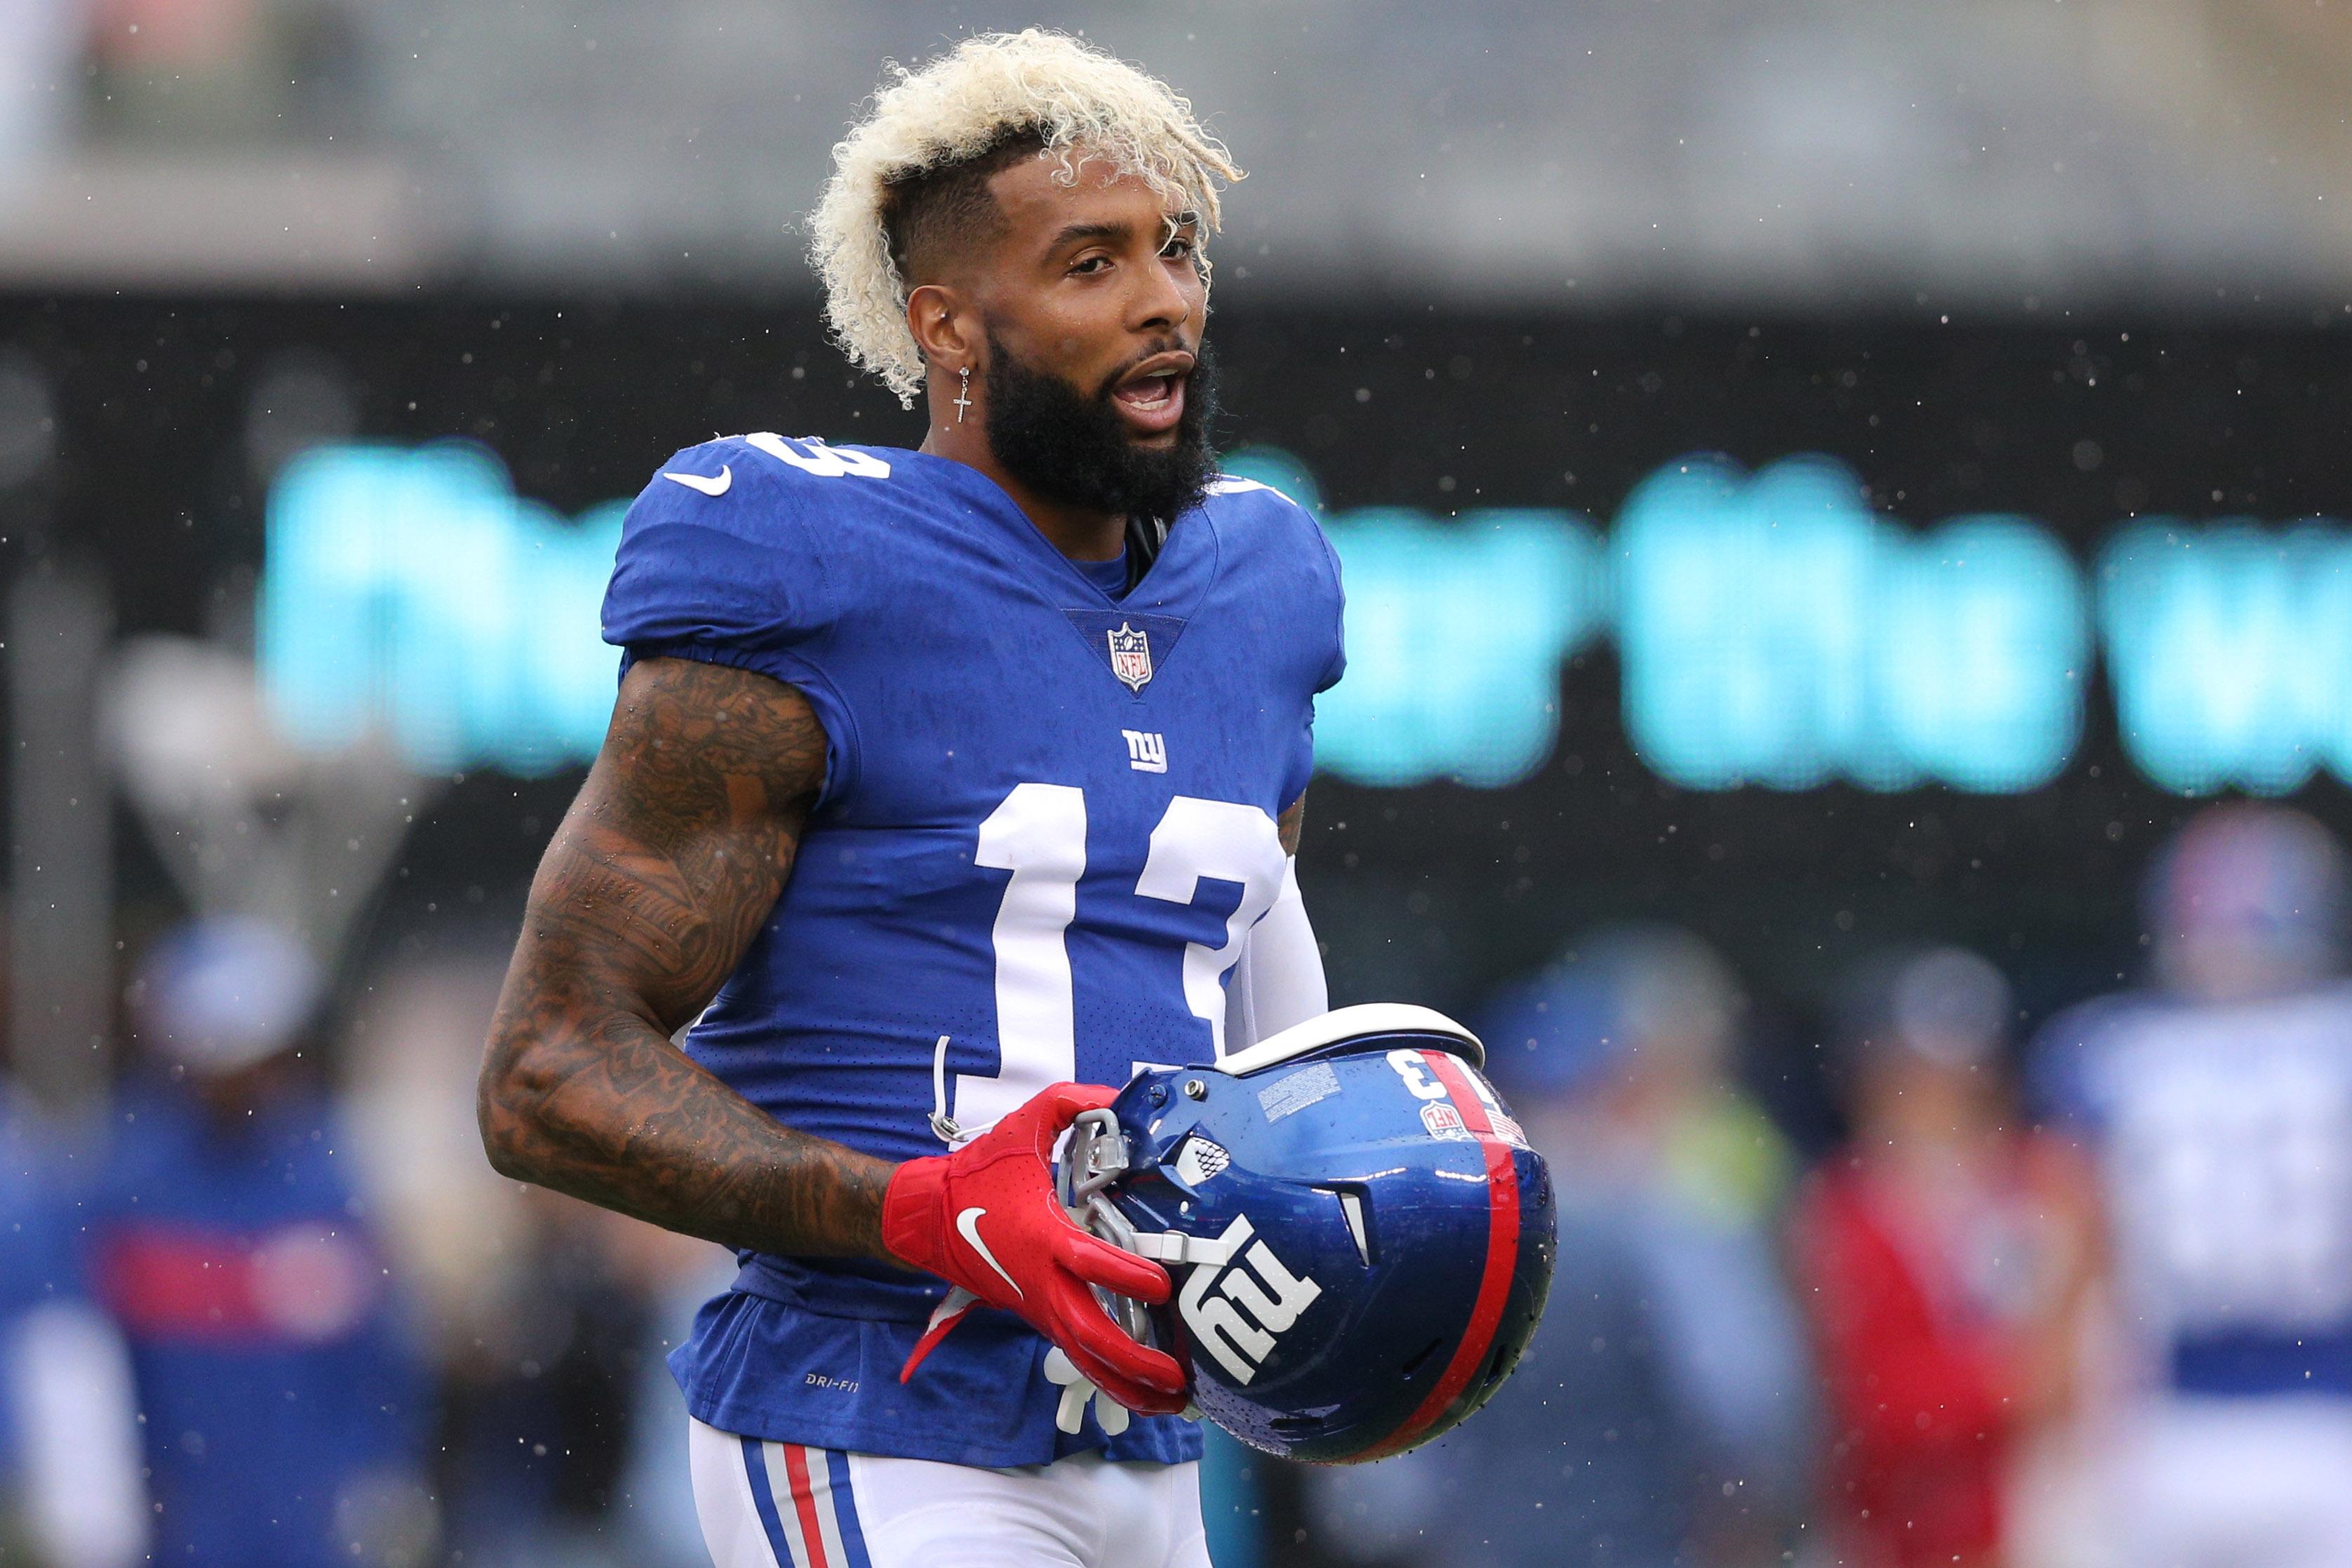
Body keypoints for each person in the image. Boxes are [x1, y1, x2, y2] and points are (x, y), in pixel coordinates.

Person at [478, 30, 1341, 1568]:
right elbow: (549, 1072)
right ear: (947, 324)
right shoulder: (811, 560)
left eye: (1177, 249)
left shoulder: (1262, 579)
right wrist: (924, 1208)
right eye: (1089, 263)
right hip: (875, 1411)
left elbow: (1252, 984)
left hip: (1152, 1441)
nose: (1162, 300)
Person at [2032, 804, 2352, 1568]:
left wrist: (2050, 1420)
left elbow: (2073, 1251)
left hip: (2163, 1437)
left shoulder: (2108, 1050)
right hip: (2329, 1427)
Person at [88, 917, 432, 1568]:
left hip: (310, 1524)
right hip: (174, 1523)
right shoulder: (125, 1181)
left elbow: (381, 1356)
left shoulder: (327, 1177)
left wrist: (386, 1474)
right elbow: (99, 1366)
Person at [1793, 947, 2098, 1568]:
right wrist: (2008, 1385)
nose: (1935, 1104)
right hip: (1902, 1530)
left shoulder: (2044, 1179)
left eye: (1960, 1081)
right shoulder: (1844, 1208)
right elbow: (1880, 1403)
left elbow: (2086, 1372)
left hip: (2048, 1515)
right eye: (1908, 1081)